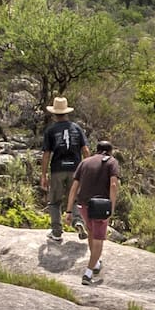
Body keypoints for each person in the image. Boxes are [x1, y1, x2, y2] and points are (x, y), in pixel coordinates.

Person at [66, 139, 120, 286]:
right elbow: (113, 185)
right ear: (110, 151)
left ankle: (95, 264)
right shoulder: (111, 162)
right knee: (98, 239)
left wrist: (69, 210)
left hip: (83, 205)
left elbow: (74, 187)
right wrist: (111, 207)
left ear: (96, 150)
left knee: (91, 232)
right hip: (101, 206)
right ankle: (88, 273)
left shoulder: (85, 162)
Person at [40, 96, 90, 243]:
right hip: (76, 169)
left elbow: (46, 154)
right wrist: (87, 169)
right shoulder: (76, 128)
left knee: (55, 201)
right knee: (75, 198)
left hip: (57, 170)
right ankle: (78, 221)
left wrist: (43, 174)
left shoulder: (50, 130)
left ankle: (56, 232)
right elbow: (85, 150)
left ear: (54, 113)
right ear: (66, 112)